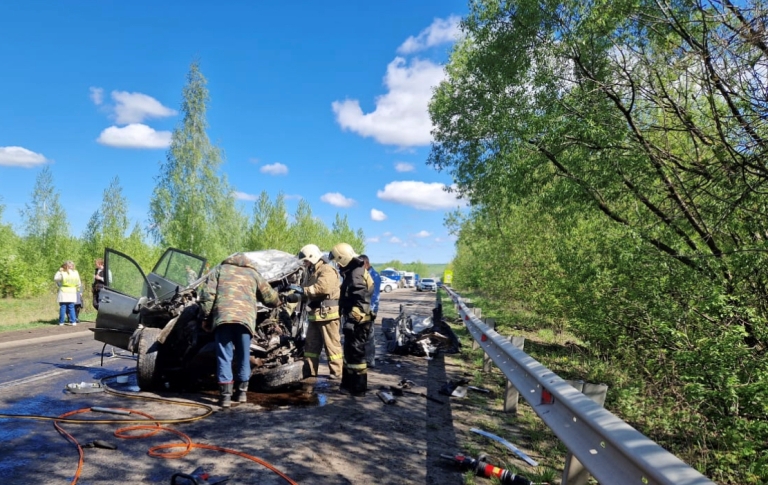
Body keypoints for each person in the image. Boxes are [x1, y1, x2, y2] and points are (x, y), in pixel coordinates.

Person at [198, 253, 280, 407]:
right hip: (245, 321)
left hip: (223, 319)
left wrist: (206, 318)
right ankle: (242, 393)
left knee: (224, 356)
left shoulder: (219, 270)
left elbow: (207, 296)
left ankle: (225, 397)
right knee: (243, 355)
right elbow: (270, 298)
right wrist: (280, 300)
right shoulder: (253, 273)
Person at [284, 244, 343, 380]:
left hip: (328, 314)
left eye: (306, 260)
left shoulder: (327, 270)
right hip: (316, 315)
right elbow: (307, 293)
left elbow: (321, 289)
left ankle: (336, 373)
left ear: (313, 257)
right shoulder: (313, 271)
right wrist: (291, 296)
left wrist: (302, 290)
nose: (305, 263)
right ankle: (310, 371)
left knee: (332, 346)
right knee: (311, 346)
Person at [329, 243, 373, 396]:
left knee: (356, 355)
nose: (337, 264)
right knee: (350, 355)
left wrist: (351, 321)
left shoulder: (356, 274)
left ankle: (358, 388)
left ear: (343, 258)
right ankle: (348, 385)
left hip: (359, 323)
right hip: (357, 321)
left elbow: (360, 301)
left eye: (337, 260)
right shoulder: (353, 271)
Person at [359, 255, 381, 369]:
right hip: (363, 309)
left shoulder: (374, 276)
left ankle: (370, 360)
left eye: (360, 265)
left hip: (369, 310)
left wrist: (370, 311)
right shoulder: (365, 274)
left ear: (366, 264)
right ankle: (363, 357)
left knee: (369, 335)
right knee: (362, 334)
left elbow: (374, 296)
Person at [54, 261, 82, 326]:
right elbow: (79, 283)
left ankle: (61, 322)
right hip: (72, 292)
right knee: (71, 307)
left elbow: (55, 278)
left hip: (64, 292)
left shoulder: (63, 273)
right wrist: (78, 290)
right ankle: (73, 321)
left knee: (63, 307)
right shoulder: (76, 273)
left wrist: (59, 271)